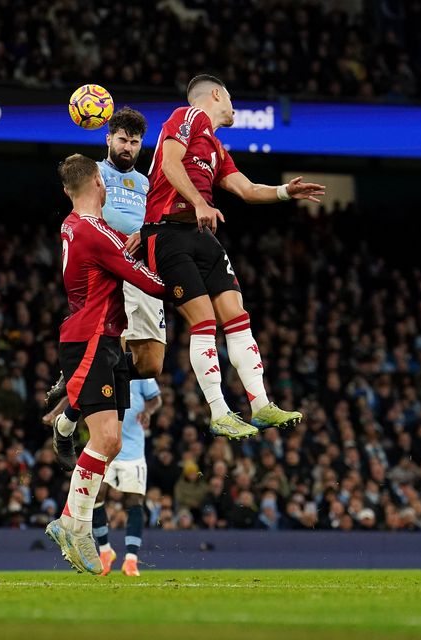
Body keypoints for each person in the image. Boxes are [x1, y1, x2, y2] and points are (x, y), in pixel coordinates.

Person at [130, 74, 326, 439]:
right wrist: (201, 201)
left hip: (201, 233)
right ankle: (219, 412)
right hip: (167, 233)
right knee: (204, 319)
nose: (233, 107)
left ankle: (261, 405)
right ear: (217, 94)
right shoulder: (187, 117)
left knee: (236, 314)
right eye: (231, 98)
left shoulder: (216, 148)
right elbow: (171, 165)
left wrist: (285, 191)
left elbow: (248, 190)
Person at [45, 154, 170, 575]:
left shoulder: (72, 225)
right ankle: (72, 524)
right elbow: (145, 280)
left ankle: (71, 519)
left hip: (106, 339)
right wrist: (186, 282)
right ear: (100, 180)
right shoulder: (96, 232)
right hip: (91, 339)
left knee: (111, 442)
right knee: (104, 439)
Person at [45, 107, 166, 472]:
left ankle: (68, 413)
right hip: (111, 269)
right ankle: (81, 375)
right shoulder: (96, 174)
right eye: (122, 139)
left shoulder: (147, 183)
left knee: (150, 365)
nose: (128, 147)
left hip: (142, 265)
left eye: (134, 141)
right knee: (108, 355)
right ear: (108, 138)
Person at [93, 377, 161, 576]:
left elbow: (156, 398)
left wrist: (148, 411)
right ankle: (105, 552)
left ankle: (131, 560)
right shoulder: (102, 366)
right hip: (104, 446)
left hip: (132, 450)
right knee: (95, 494)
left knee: (133, 501)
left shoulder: (139, 369)